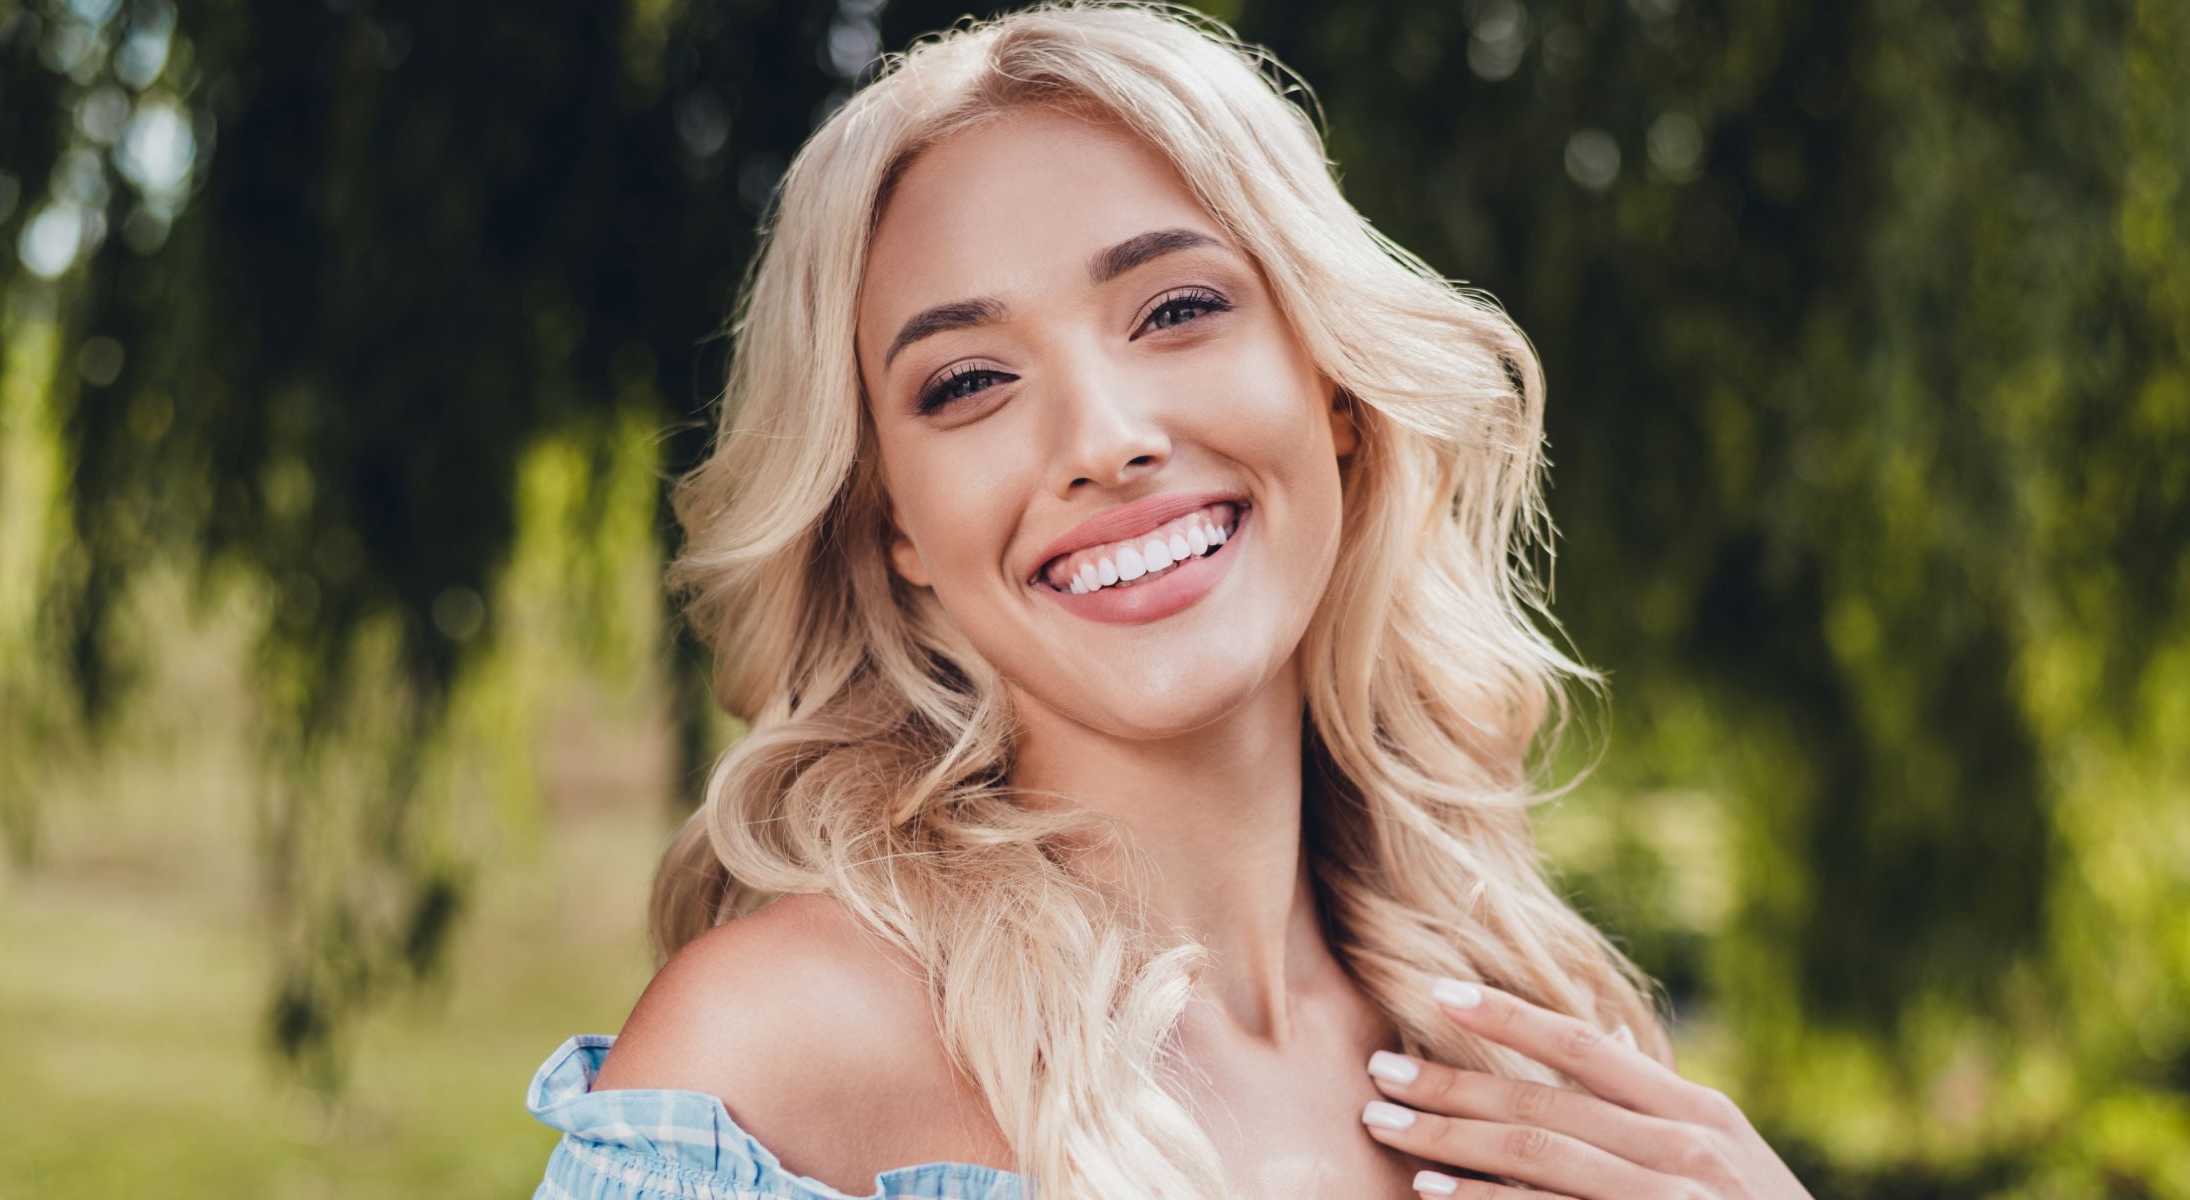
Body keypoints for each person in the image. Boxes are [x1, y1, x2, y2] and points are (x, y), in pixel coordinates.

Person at [525, 3, 1816, 1197]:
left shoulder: (1529, 1038)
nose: (1103, 437)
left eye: (1178, 307)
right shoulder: (783, 1053)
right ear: (893, 524)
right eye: (967, 382)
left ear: (1336, 390)